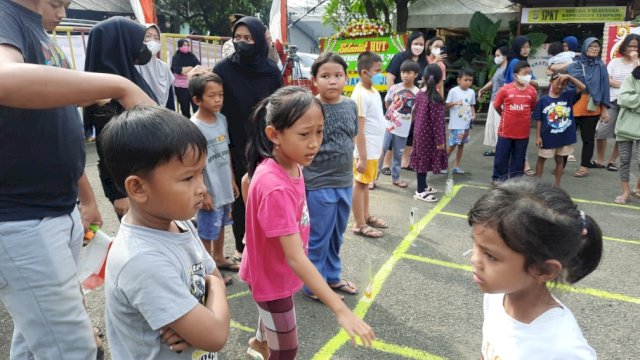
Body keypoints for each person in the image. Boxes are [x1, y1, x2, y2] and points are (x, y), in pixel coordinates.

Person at [0, 0, 154, 358]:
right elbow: (5, 79)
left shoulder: (35, 27)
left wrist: (84, 197)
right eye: (58, 3)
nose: (64, 12)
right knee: (73, 348)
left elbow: (58, 124)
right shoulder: (6, 15)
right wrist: (120, 85)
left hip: (57, 208)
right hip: (23, 220)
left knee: (34, 333)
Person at [241, 86, 375, 359]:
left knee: (272, 320)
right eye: (304, 134)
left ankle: (259, 342)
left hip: (272, 268)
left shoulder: (290, 163)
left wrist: (253, 228)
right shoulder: (275, 185)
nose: (315, 143)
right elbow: (295, 258)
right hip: (271, 276)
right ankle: (263, 343)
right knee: (287, 350)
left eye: (319, 131)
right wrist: (340, 309)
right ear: (274, 135)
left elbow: (247, 181)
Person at [100, 106, 230, 359]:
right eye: (187, 178)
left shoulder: (179, 224)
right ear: (137, 187)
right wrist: (213, 290)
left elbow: (211, 274)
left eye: (201, 173)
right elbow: (215, 335)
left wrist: (209, 291)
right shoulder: (141, 259)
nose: (202, 187)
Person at [469, 178, 601, 359]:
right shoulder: (497, 297)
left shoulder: (564, 351)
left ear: (544, 270)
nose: (474, 259)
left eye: (491, 256)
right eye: (475, 244)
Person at [214, 16, 282, 262]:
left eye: (248, 38)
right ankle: (242, 248)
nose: (242, 43)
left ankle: (269, 243)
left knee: (267, 193)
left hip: (265, 141)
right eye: (238, 38)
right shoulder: (223, 69)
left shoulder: (270, 70)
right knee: (240, 198)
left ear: (259, 40)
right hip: (233, 141)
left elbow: (279, 105)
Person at [84, 16, 159, 219]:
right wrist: (118, 193)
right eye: (140, 41)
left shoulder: (128, 75)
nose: (144, 47)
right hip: (131, 186)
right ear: (120, 43)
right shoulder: (103, 91)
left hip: (149, 174)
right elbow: (108, 149)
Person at [302, 52, 359, 301]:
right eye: (325, 76)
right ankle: (315, 285)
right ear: (314, 80)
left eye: (338, 75)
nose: (332, 81)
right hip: (317, 182)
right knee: (318, 236)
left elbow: (351, 136)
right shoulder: (309, 107)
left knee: (337, 234)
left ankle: (333, 276)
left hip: (344, 181)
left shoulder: (350, 105)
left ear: (346, 78)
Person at [189, 70, 241, 282]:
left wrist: (231, 179)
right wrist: (203, 193)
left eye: (220, 94)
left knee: (221, 225)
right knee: (207, 231)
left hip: (223, 184)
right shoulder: (194, 126)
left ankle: (219, 258)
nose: (218, 99)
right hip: (208, 188)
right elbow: (193, 164)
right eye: (212, 96)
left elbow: (226, 149)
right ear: (197, 100)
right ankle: (208, 271)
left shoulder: (222, 120)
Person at [350, 52, 387, 238]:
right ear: (364, 72)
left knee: (365, 185)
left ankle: (365, 216)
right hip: (365, 150)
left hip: (373, 148)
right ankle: (359, 224)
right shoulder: (359, 94)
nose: (381, 74)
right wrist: (362, 156)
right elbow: (359, 129)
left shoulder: (372, 90)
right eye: (377, 71)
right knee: (360, 184)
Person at [595, 34, 640, 171]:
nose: (632, 48)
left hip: (631, 105)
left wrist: (634, 61)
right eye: (629, 45)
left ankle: (612, 161)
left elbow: (636, 80)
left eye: (635, 46)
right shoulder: (614, 62)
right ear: (624, 46)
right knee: (601, 130)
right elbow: (608, 80)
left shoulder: (638, 63)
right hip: (613, 101)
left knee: (623, 134)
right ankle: (600, 159)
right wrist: (626, 86)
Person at [568, 37, 611, 178]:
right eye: (591, 46)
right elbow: (566, 85)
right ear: (585, 48)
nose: (594, 49)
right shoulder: (574, 65)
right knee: (566, 137)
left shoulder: (601, 66)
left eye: (596, 47)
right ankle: (560, 164)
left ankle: (584, 166)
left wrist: (604, 109)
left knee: (588, 138)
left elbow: (605, 88)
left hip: (592, 107)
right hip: (573, 105)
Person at [534, 73, 585, 187]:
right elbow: (539, 119)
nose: (560, 86)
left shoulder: (567, 96)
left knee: (560, 160)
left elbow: (582, 87)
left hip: (564, 136)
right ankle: (536, 183)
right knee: (542, 158)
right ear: (551, 82)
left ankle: (557, 185)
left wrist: (569, 77)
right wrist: (538, 136)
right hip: (548, 136)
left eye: (563, 84)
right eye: (557, 83)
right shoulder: (543, 100)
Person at [375, 60, 420, 188]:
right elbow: (387, 103)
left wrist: (407, 121)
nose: (405, 75)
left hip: (403, 130)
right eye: (403, 72)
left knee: (398, 154)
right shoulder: (395, 88)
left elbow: (416, 112)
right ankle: (373, 178)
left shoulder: (418, 93)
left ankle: (396, 178)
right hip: (388, 126)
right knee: (382, 151)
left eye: (409, 72)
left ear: (415, 74)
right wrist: (391, 116)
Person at [492, 61, 538, 183]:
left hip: (523, 133)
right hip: (505, 131)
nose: (528, 76)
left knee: (519, 159)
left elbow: (533, 107)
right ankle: (498, 180)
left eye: (529, 73)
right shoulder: (505, 89)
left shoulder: (532, 91)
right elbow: (496, 105)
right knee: (501, 158)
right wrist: (504, 115)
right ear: (516, 75)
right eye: (525, 73)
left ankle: (515, 182)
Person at [410, 64, 447, 202]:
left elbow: (415, 113)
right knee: (423, 162)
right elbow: (437, 123)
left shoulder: (420, 93)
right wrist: (440, 142)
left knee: (421, 159)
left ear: (424, 78)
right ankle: (420, 190)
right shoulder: (436, 98)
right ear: (439, 81)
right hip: (430, 136)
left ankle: (423, 185)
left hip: (419, 133)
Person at [612, 65, 640, 204]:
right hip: (625, 125)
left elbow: (629, 99)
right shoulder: (633, 76)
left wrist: (634, 101)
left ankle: (638, 188)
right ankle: (626, 192)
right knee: (624, 160)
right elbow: (622, 99)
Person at [478, 46, 509, 157]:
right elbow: (493, 81)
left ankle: (501, 149)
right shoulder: (499, 68)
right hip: (494, 100)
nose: (496, 58)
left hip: (502, 102)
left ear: (505, 56)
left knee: (499, 126)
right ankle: (496, 149)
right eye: (495, 55)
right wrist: (482, 89)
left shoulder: (508, 69)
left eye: (498, 55)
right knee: (493, 125)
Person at [136, 24, 175, 108]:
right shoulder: (132, 65)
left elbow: (170, 101)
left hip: (162, 115)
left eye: (156, 38)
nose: (152, 40)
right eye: (147, 36)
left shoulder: (164, 67)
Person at [445, 68, 476, 174]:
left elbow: (471, 105)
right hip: (456, 124)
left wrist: (473, 114)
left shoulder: (471, 92)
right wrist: (454, 103)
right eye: (465, 80)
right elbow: (446, 105)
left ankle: (456, 166)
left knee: (461, 145)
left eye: (470, 80)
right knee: (452, 145)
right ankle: (443, 164)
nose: (468, 82)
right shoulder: (453, 91)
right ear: (459, 80)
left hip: (466, 124)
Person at [171, 39, 201, 117]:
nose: (186, 47)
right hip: (181, 88)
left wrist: (184, 71)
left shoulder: (191, 55)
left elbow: (198, 66)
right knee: (184, 108)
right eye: (184, 45)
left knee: (196, 107)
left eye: (187, 45)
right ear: (180, 46)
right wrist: (190, 67)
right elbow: (178, 70)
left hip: (192, 85)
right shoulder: (176, 57)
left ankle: (197, 125)